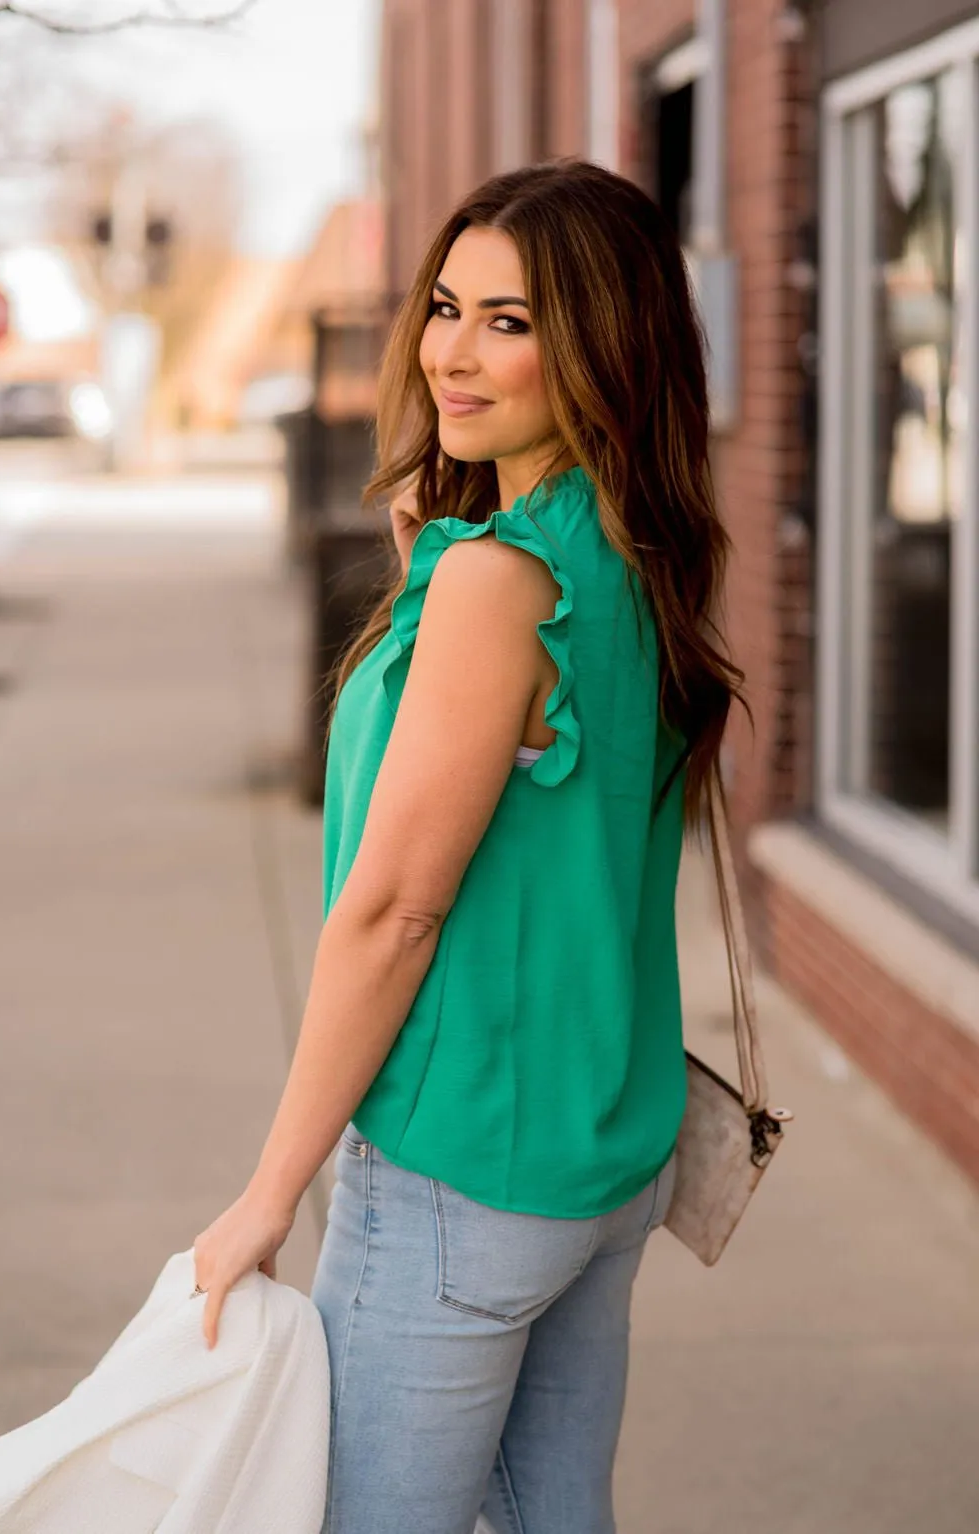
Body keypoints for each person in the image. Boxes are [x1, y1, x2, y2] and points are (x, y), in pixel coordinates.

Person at [192, 159, 744, 1533]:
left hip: (463, 1171)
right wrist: (437, 577)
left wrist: (271, 1190)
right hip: (600, 1156)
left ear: (605, 345)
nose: (451, 351)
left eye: (511, 322)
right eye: (446, 307)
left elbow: (395, 910)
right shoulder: (638, 553)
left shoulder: (498, 585)